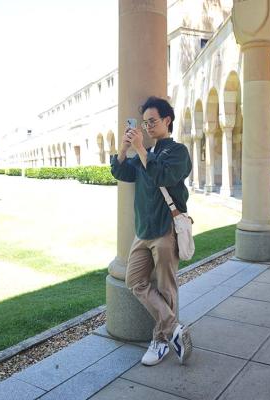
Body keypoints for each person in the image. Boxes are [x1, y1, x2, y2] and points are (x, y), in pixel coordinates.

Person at [110, 96, 193, 366]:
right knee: (134, 280)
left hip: (165, 230)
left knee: (166, 287)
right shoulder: (147, 154)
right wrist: (124, 149)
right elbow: (120, 172)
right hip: (143, 231)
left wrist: (141, 151)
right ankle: (174, 328)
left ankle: (160, 341)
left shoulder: (178, 152)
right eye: (145, 123)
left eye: (152, 122)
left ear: (167, 120)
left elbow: (161, 176)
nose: (147, 127)